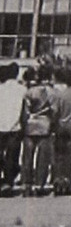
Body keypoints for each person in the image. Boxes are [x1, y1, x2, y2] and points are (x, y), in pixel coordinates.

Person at [20, 67, 54, 196]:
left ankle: (26, 184)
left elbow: (25, 111)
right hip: (44, 125)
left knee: (27, 157)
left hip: (30, 125)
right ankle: (40, 184)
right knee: (42, 157)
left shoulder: (29, 92)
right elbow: (53, 110)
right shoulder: (50, 92)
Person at [51, 66, 71, 196]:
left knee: (59, 155)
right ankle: (69, 181)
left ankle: (58, 180)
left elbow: (55, 112)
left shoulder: (61, 95)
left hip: (61, 125)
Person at [0, 63, 23, 196]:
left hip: (0, 125)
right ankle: (9, 182)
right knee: (12, 156)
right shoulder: (22, 89)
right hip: (15, 126)